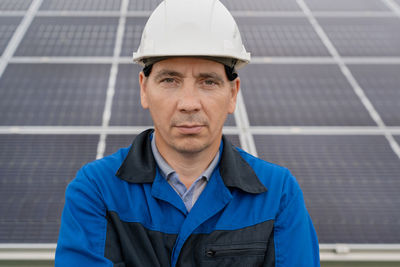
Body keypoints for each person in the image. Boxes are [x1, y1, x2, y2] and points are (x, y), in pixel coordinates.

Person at [55, 0, 320, 266]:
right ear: (144, 89)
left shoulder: (277, 194)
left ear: (232, 94)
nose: (189, 103)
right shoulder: (97, 189)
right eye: (170, 80)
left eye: (208, 82)